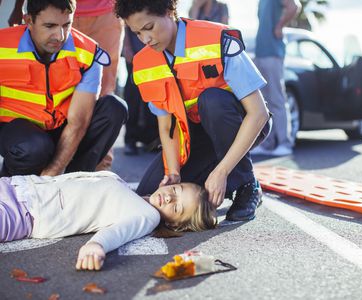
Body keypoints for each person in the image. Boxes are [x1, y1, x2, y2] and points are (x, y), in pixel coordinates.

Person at [115, 0, 272, 222]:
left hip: (242, 124)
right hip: (195, 137)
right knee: (147, 198)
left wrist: (221, 172)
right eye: (137, 33)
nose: (145, 40)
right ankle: (210, 176)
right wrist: (173, 172)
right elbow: (167, 125)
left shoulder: (217, 39)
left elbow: (259, 114)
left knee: (212, 100)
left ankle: (247, 184)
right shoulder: (144, 63)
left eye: (149, 28)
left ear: (170, 11)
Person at [0, 0, 127, 177]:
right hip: (18, 132)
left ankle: (73, 183)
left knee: (114, 108)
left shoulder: (88, 53)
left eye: (66, 25)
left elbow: (78, 122)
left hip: (62, 126)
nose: (59, 36)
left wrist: (51, 175)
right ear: (28, 21)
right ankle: (13, 187)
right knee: (34, 147)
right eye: (50, 26)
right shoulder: (2, 46)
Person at [0, 171, 217, 271]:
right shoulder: (131, 192)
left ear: (174, 224)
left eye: (176, 207)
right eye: (176, 190)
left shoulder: (147, 216)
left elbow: (120, 232)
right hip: (17, 185)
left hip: (24, 213)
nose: (169, 197)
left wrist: (96, 245)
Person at [252, 0, 301, 157]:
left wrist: (280, 26)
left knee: (277, 98)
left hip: (273, 52)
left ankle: (284, 143)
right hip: (261, 52)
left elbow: (294, 6)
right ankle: (267, 143)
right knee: (264, 100)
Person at [122, 26, 159, 155]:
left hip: (153, 52)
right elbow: (124, 22)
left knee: (152, 97)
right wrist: (126, 45)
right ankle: (130, 140)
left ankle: (150, 140)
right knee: (133, 98)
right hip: (134, 52)